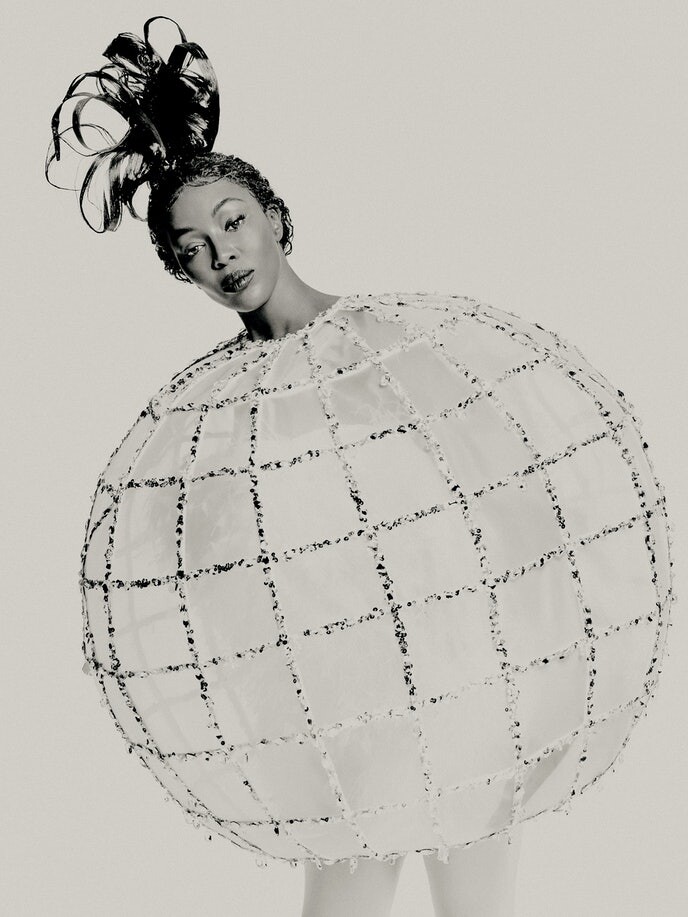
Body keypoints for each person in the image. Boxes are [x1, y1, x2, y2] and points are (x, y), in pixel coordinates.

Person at [46, 16, 672, 917]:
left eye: (234, 221)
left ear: (274, 218)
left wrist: (540, 658)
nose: (224, 255)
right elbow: (220, 577)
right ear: (182, 273)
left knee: (477, 904)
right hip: (334, 705)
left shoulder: (387, 342)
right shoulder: (210, 417)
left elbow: (505, 488)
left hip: (463, 672)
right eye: (194, 250)